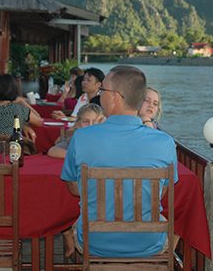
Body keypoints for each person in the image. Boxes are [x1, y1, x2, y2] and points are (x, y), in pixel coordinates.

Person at [61, 65, 178, 258]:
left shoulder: (81, 138)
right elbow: (163, 191)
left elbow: (73, 188)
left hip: (94, 242)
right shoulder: (165, 143)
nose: (100, 94)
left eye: (103, 90)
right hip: (147, 242)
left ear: (114, 97)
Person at [0, 74, 43, 144]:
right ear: (14, 88)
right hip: (12, 150)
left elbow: (0, 121)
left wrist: (23, 125)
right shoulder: (19, 109)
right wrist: (22, 101)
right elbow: (39, 121)